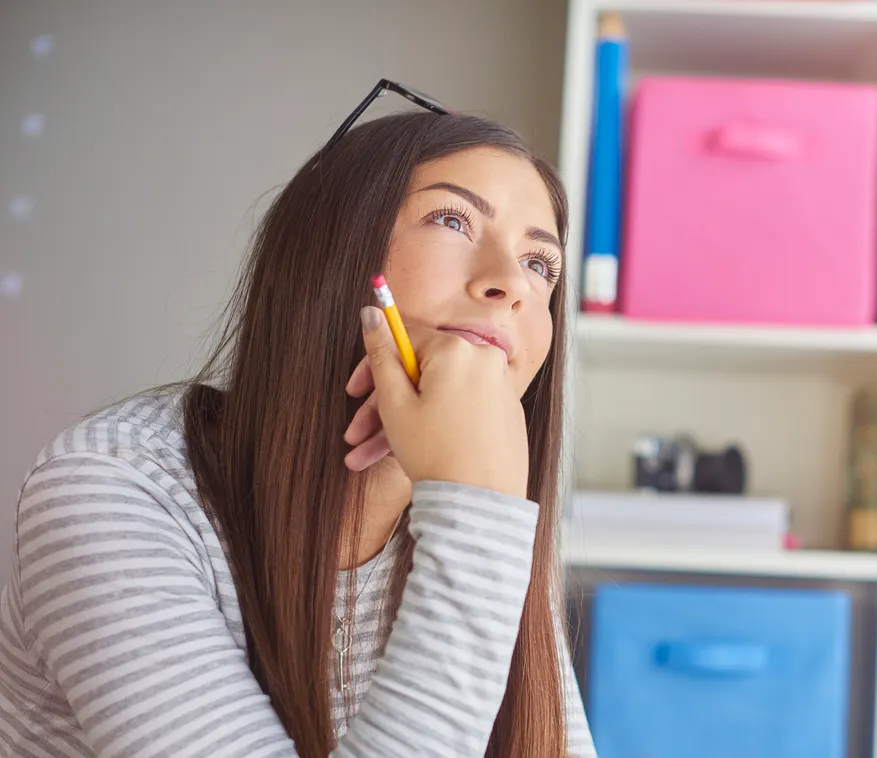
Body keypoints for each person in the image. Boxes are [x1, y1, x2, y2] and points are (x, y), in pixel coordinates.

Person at [0, 88, 596, 758]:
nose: (510, 284)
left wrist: (478, 507)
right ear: (332, 257)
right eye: (452, 221)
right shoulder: (108, 492)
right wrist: (477, 512)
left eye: (538, 262)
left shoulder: (481, 501)